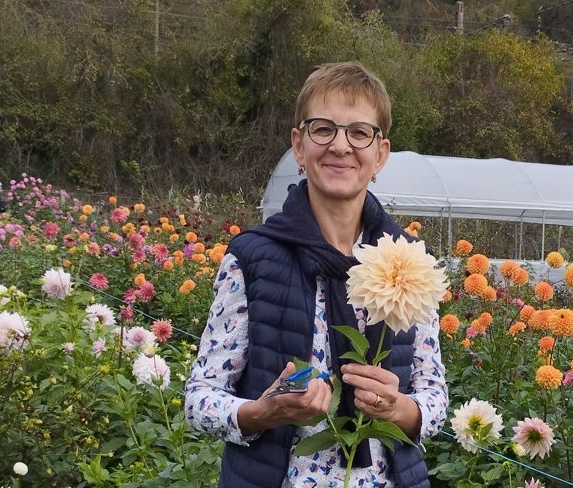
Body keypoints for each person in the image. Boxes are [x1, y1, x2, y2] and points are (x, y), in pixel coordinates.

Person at [185, 61, 447, 488]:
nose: (341, 146)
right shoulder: (254, 258)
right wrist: (262, 411)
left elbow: (434, 396)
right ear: (299, 146)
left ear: (380, 154)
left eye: (359, 132)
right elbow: (199, 399)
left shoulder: (410, 262)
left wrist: (400, 410)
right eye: (323, 129)